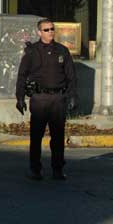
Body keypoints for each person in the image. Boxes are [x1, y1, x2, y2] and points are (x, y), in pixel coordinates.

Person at [15, 18, 78, 181]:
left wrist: (71, 96)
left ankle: (58, 169)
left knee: (57, 137)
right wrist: (20, 98)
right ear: (39, 32)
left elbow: (71, 76)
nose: (50, 32)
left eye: (52, 29)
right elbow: (21, 76)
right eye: (46, 30)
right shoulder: (32, 52)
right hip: (39, 99)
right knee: (36, 137)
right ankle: (35, 169)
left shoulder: (62, 51)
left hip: (58, 99)